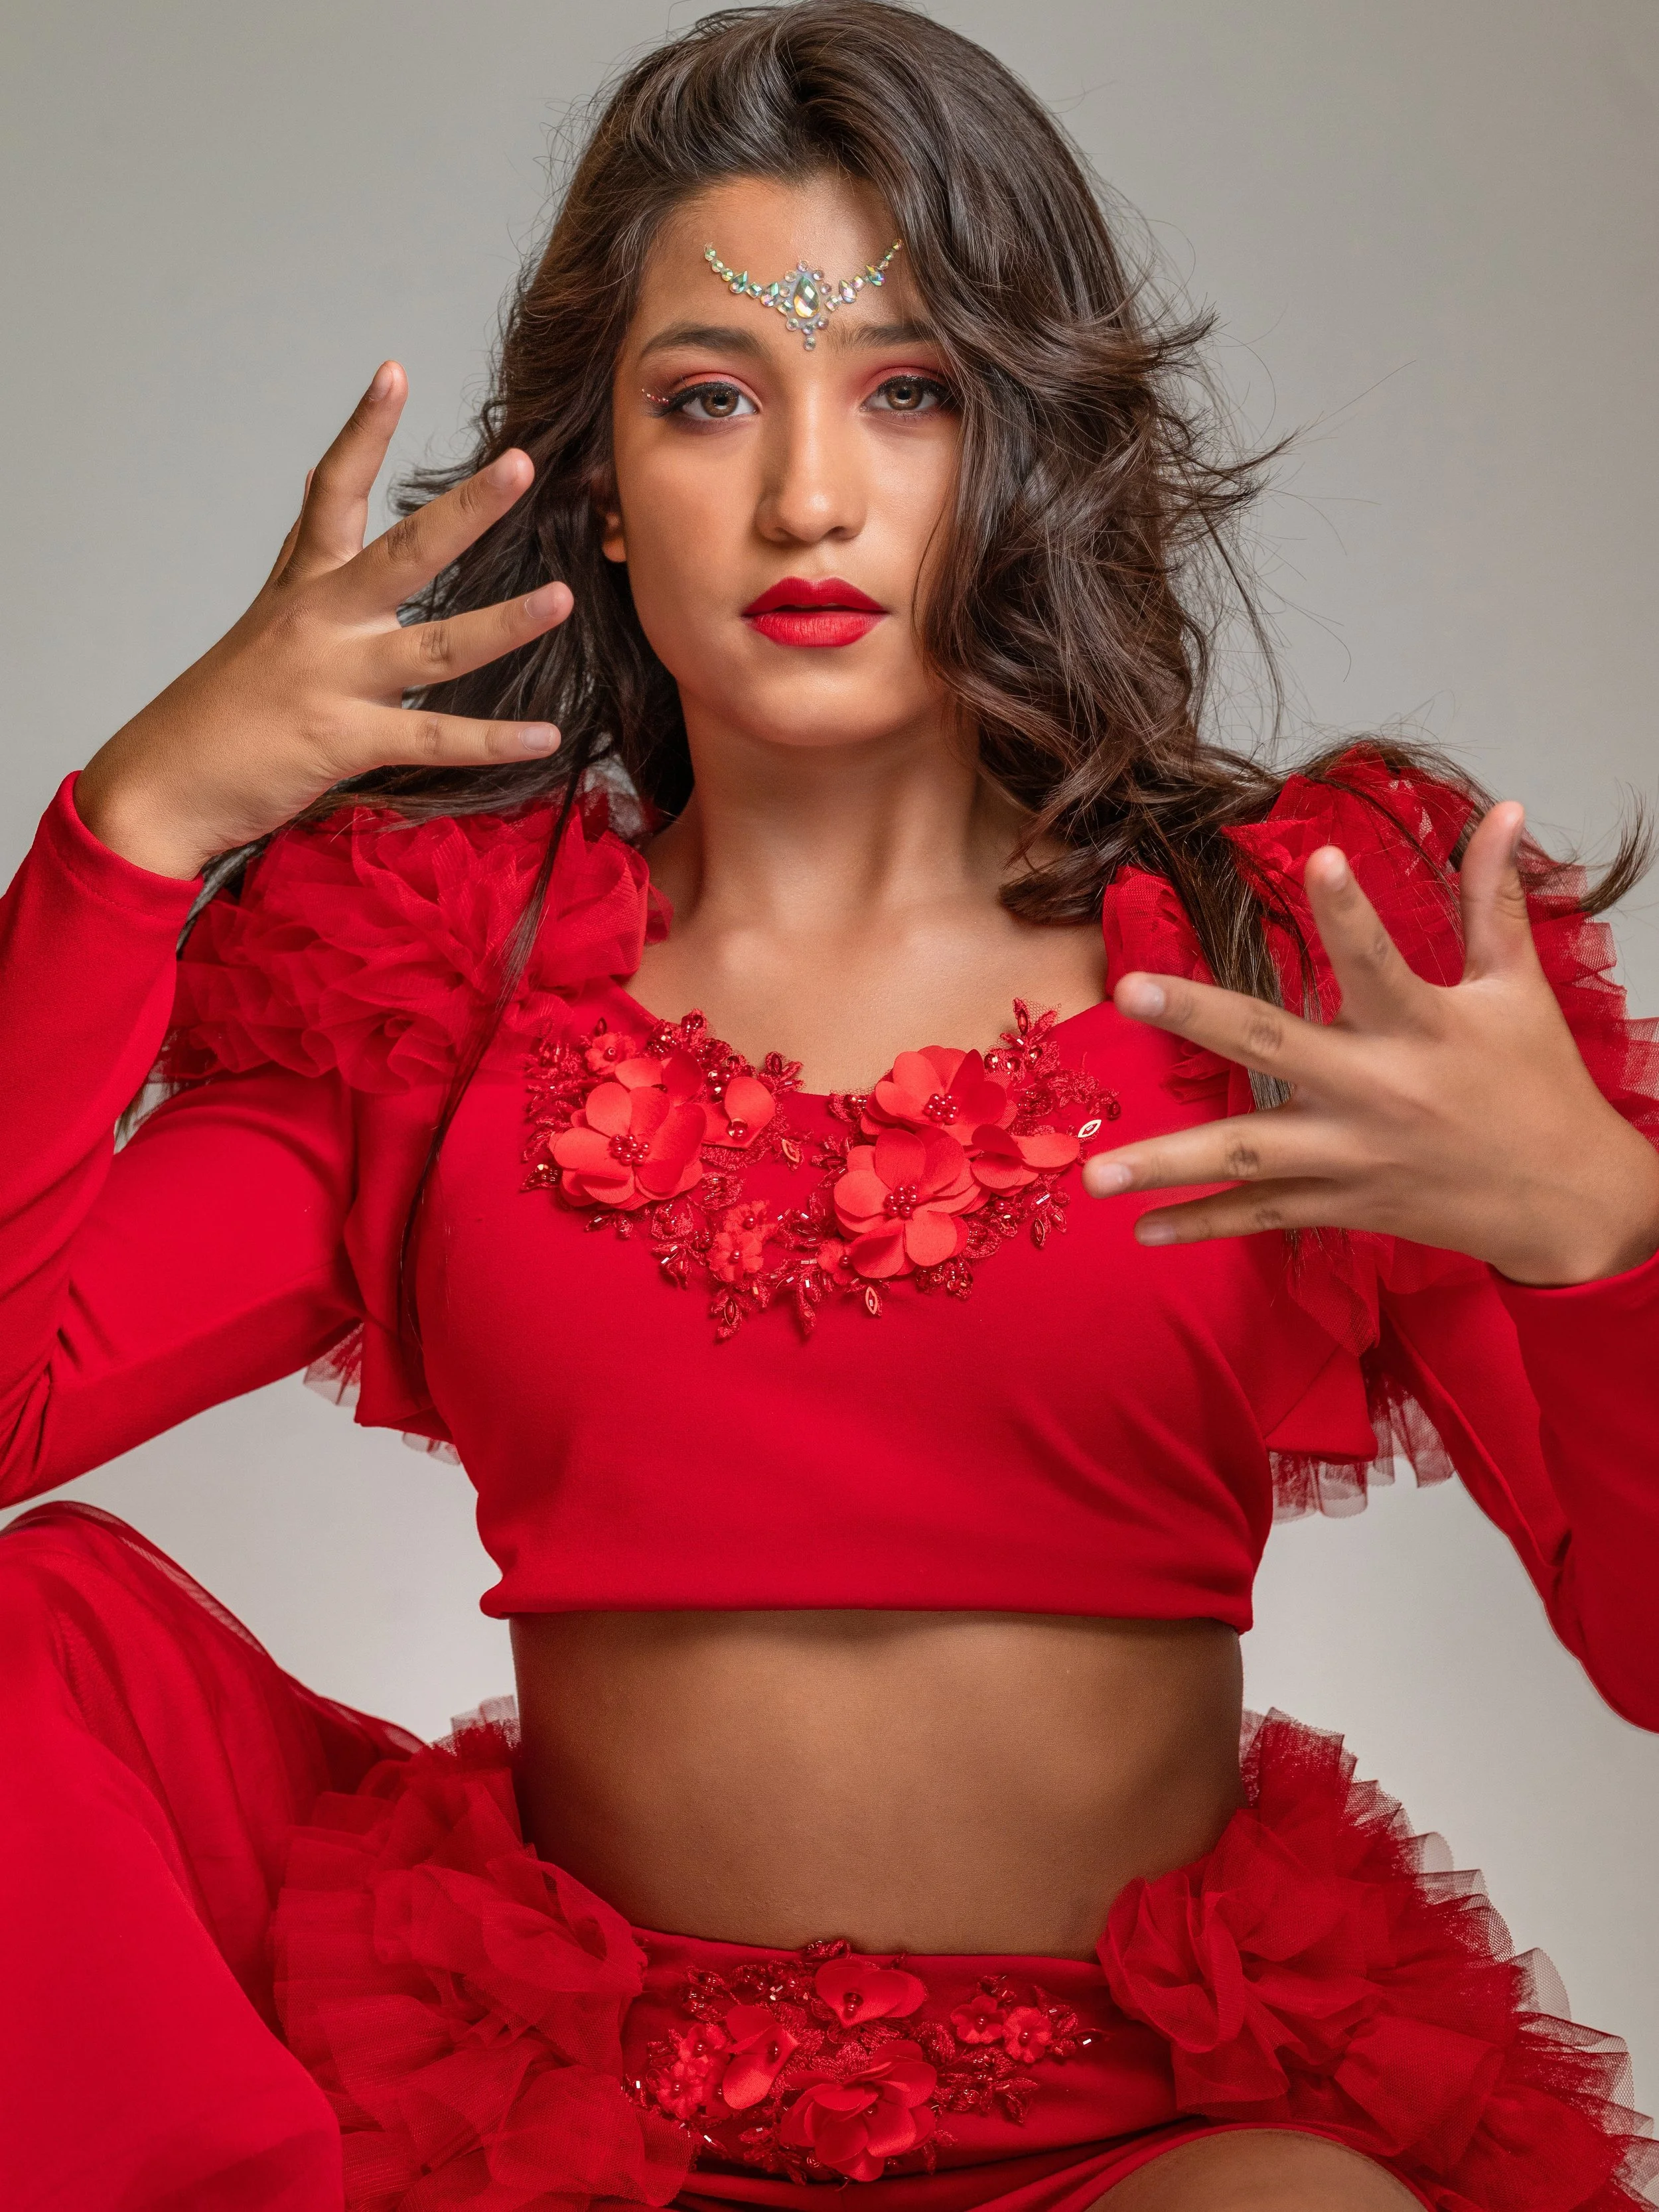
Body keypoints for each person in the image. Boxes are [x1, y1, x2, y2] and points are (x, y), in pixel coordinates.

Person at [2, 5, 1656, 2207]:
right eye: (710, 399)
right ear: (594, 483)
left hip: (1152, 2129)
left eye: (909, 390)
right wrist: (132, 827)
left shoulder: (1301, 946)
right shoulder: (427, 966)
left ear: (1034, 441)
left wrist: (1603, 1241)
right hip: (552, 2126)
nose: (808, 494)